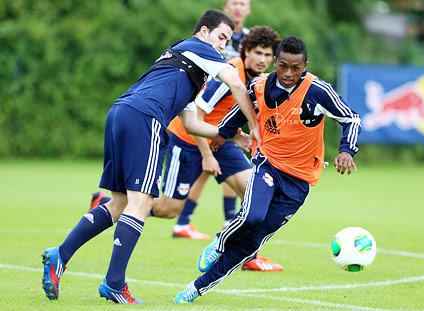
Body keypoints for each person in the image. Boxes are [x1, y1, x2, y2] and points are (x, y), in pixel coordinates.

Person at [41, 9, 260, 305]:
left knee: (120, 203)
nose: (223, 45)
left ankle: (60, 255)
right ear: (203, 32)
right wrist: (256, 127)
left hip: (122, 113)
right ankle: (114, 282)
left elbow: (192, 123)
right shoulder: (197, 47)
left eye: (227, 40)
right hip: (145, 119)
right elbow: (235, 82)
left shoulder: (187, 66)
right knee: (141, 202)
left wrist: (232, 134)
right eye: (221, 37)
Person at [173, 36, 362, 304]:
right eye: (283, 66)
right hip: (268, 162)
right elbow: (242, 110)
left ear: (305, 66)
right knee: (251, 215)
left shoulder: (317, 91)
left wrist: (346, 150)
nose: (287, 73)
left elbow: (351, 118)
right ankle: (219, 243)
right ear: (275, 62)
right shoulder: (260, 85)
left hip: (300, 181)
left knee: (252, 242)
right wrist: (223, 134)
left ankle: (197, 287)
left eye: (295, 68)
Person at [176, 0, 252, 239]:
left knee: (225, 166)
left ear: (249, 9)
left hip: (222, 118)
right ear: (225, 6)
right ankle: (186, 220)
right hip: (199, 112)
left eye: (243, 3)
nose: (238, 7)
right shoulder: (206, 41)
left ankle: (227, 220)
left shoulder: (250, 43)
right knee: (207, 167)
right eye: (234, 2)